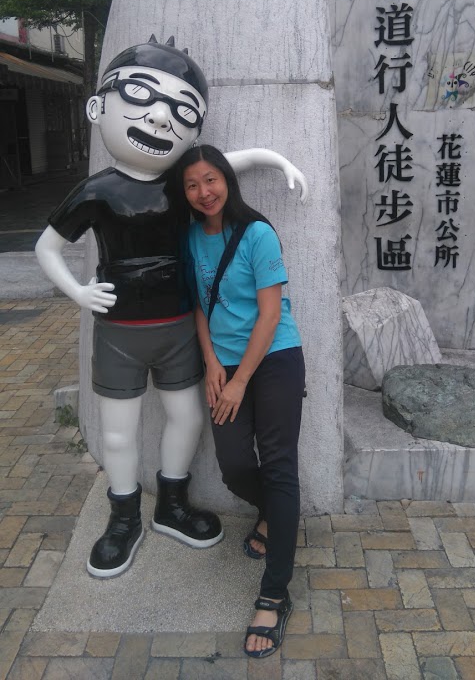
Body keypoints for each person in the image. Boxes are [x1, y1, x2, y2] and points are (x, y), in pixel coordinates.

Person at [35, 36, 308, 580]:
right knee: (119, 430)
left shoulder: (183, 186)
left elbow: (223, 168)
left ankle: (172, 504)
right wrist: (79, 293)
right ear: (98, 107)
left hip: (182, 328)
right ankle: (122, 517)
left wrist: (276, 160)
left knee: (187, 417)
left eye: (181, 110)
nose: (161, 118)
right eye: (141, 95)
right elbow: (47, 247)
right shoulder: (96, 191)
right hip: (118, 332)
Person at [178, 143, 305, 659]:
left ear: (227, 180)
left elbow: (270, 315)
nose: (203, 192)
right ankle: (275, 514)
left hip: (274, 358)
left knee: (278, 465)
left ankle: (274, 594)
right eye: (192, 184)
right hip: (224, 364)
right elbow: (199, 305)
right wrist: (212, 363)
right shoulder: (190, 237)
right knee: (232, 464)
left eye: (211, 179)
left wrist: (239, 380)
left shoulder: (257, 233)